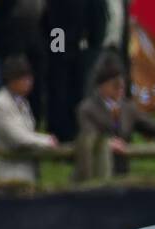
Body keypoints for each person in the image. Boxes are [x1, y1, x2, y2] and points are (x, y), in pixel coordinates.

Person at [74, 55, 155, 180]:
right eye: (115, 85)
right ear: (102, 87)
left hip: (121, 174)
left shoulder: (128, 108)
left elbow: (153, 126)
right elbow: (89, 134)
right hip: (93, 173)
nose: (120, 89)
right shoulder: (87, 108)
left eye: (122, 85)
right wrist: (107, 143)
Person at [0, 54, 57, 182]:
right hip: (7, 175)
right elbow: (17, 137)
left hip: (27, 174)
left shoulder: (23, 103)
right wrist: (46, 141)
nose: (28, 83)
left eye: (29, 78)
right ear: (11, 80)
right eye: (23, 79)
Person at [45, 0, 107, 142]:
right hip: (64, 51)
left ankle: (75, 133)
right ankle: (61, 135)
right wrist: (59, 51)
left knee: (77, 94)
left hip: (81, 49)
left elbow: (96, 16)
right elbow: (55, 19)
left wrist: (92, 43)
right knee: (60, 93)